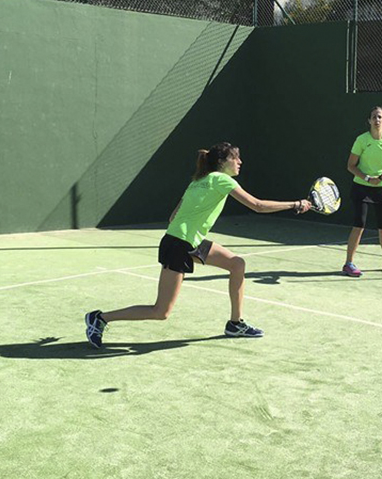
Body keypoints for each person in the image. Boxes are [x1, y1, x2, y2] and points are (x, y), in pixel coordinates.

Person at [84, 142, 311, 348]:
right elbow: (258, 205)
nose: (240, 162)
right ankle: (100, 318)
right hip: (179, 246)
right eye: (235, 158)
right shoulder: (222, 180)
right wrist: (295, 204)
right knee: (161, 312)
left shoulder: (197, 182)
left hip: (184, 241)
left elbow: (174, 216)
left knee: (237, 264)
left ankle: (235, 324)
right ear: (222, 162)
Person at [342, 106, 382, 277]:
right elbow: (350, 166)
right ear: (369, 121)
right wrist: (367, 178)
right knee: (359, 224)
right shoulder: (361, 140)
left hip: (381, 187)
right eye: (374, 117)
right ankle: (348, 263)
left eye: (380, 117)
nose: (377, 120)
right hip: (361, 187)